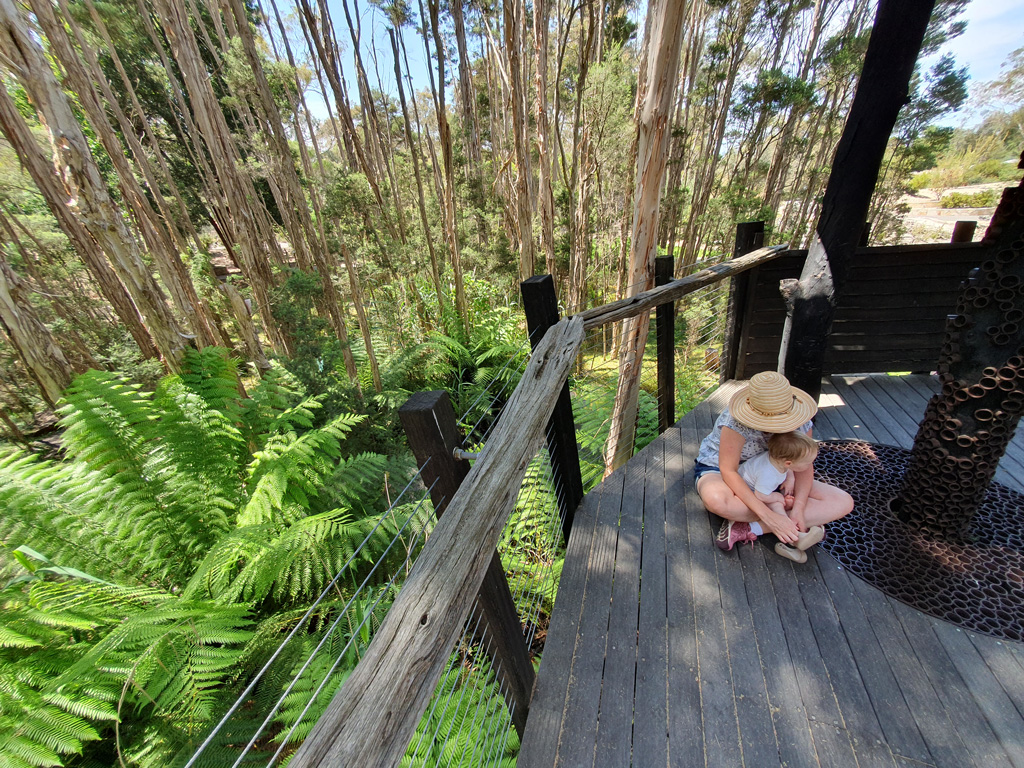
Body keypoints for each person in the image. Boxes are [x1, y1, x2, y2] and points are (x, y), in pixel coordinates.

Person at [694, 370, 854, 557]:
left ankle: (749, 526)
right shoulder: (735, 422)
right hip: (729, 470)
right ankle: (788, 519)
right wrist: (769, 515)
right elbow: (728, 470)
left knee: (843, 502)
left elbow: (804, 465)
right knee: (717, 501)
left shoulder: (801, 421)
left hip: (777, 472)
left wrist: (800, 509)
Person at [737, 430, 824, 564]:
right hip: (753, 490)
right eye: (807, 463)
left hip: (765, 487)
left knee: (783, 499)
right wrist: (776, 497)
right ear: (789, 463)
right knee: (777, 505)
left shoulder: (779, 461)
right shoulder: (768, 474)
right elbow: (760, 495)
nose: (809, 466)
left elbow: (787, 470)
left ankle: (795, 537)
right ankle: (795, 535)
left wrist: (790, 479)